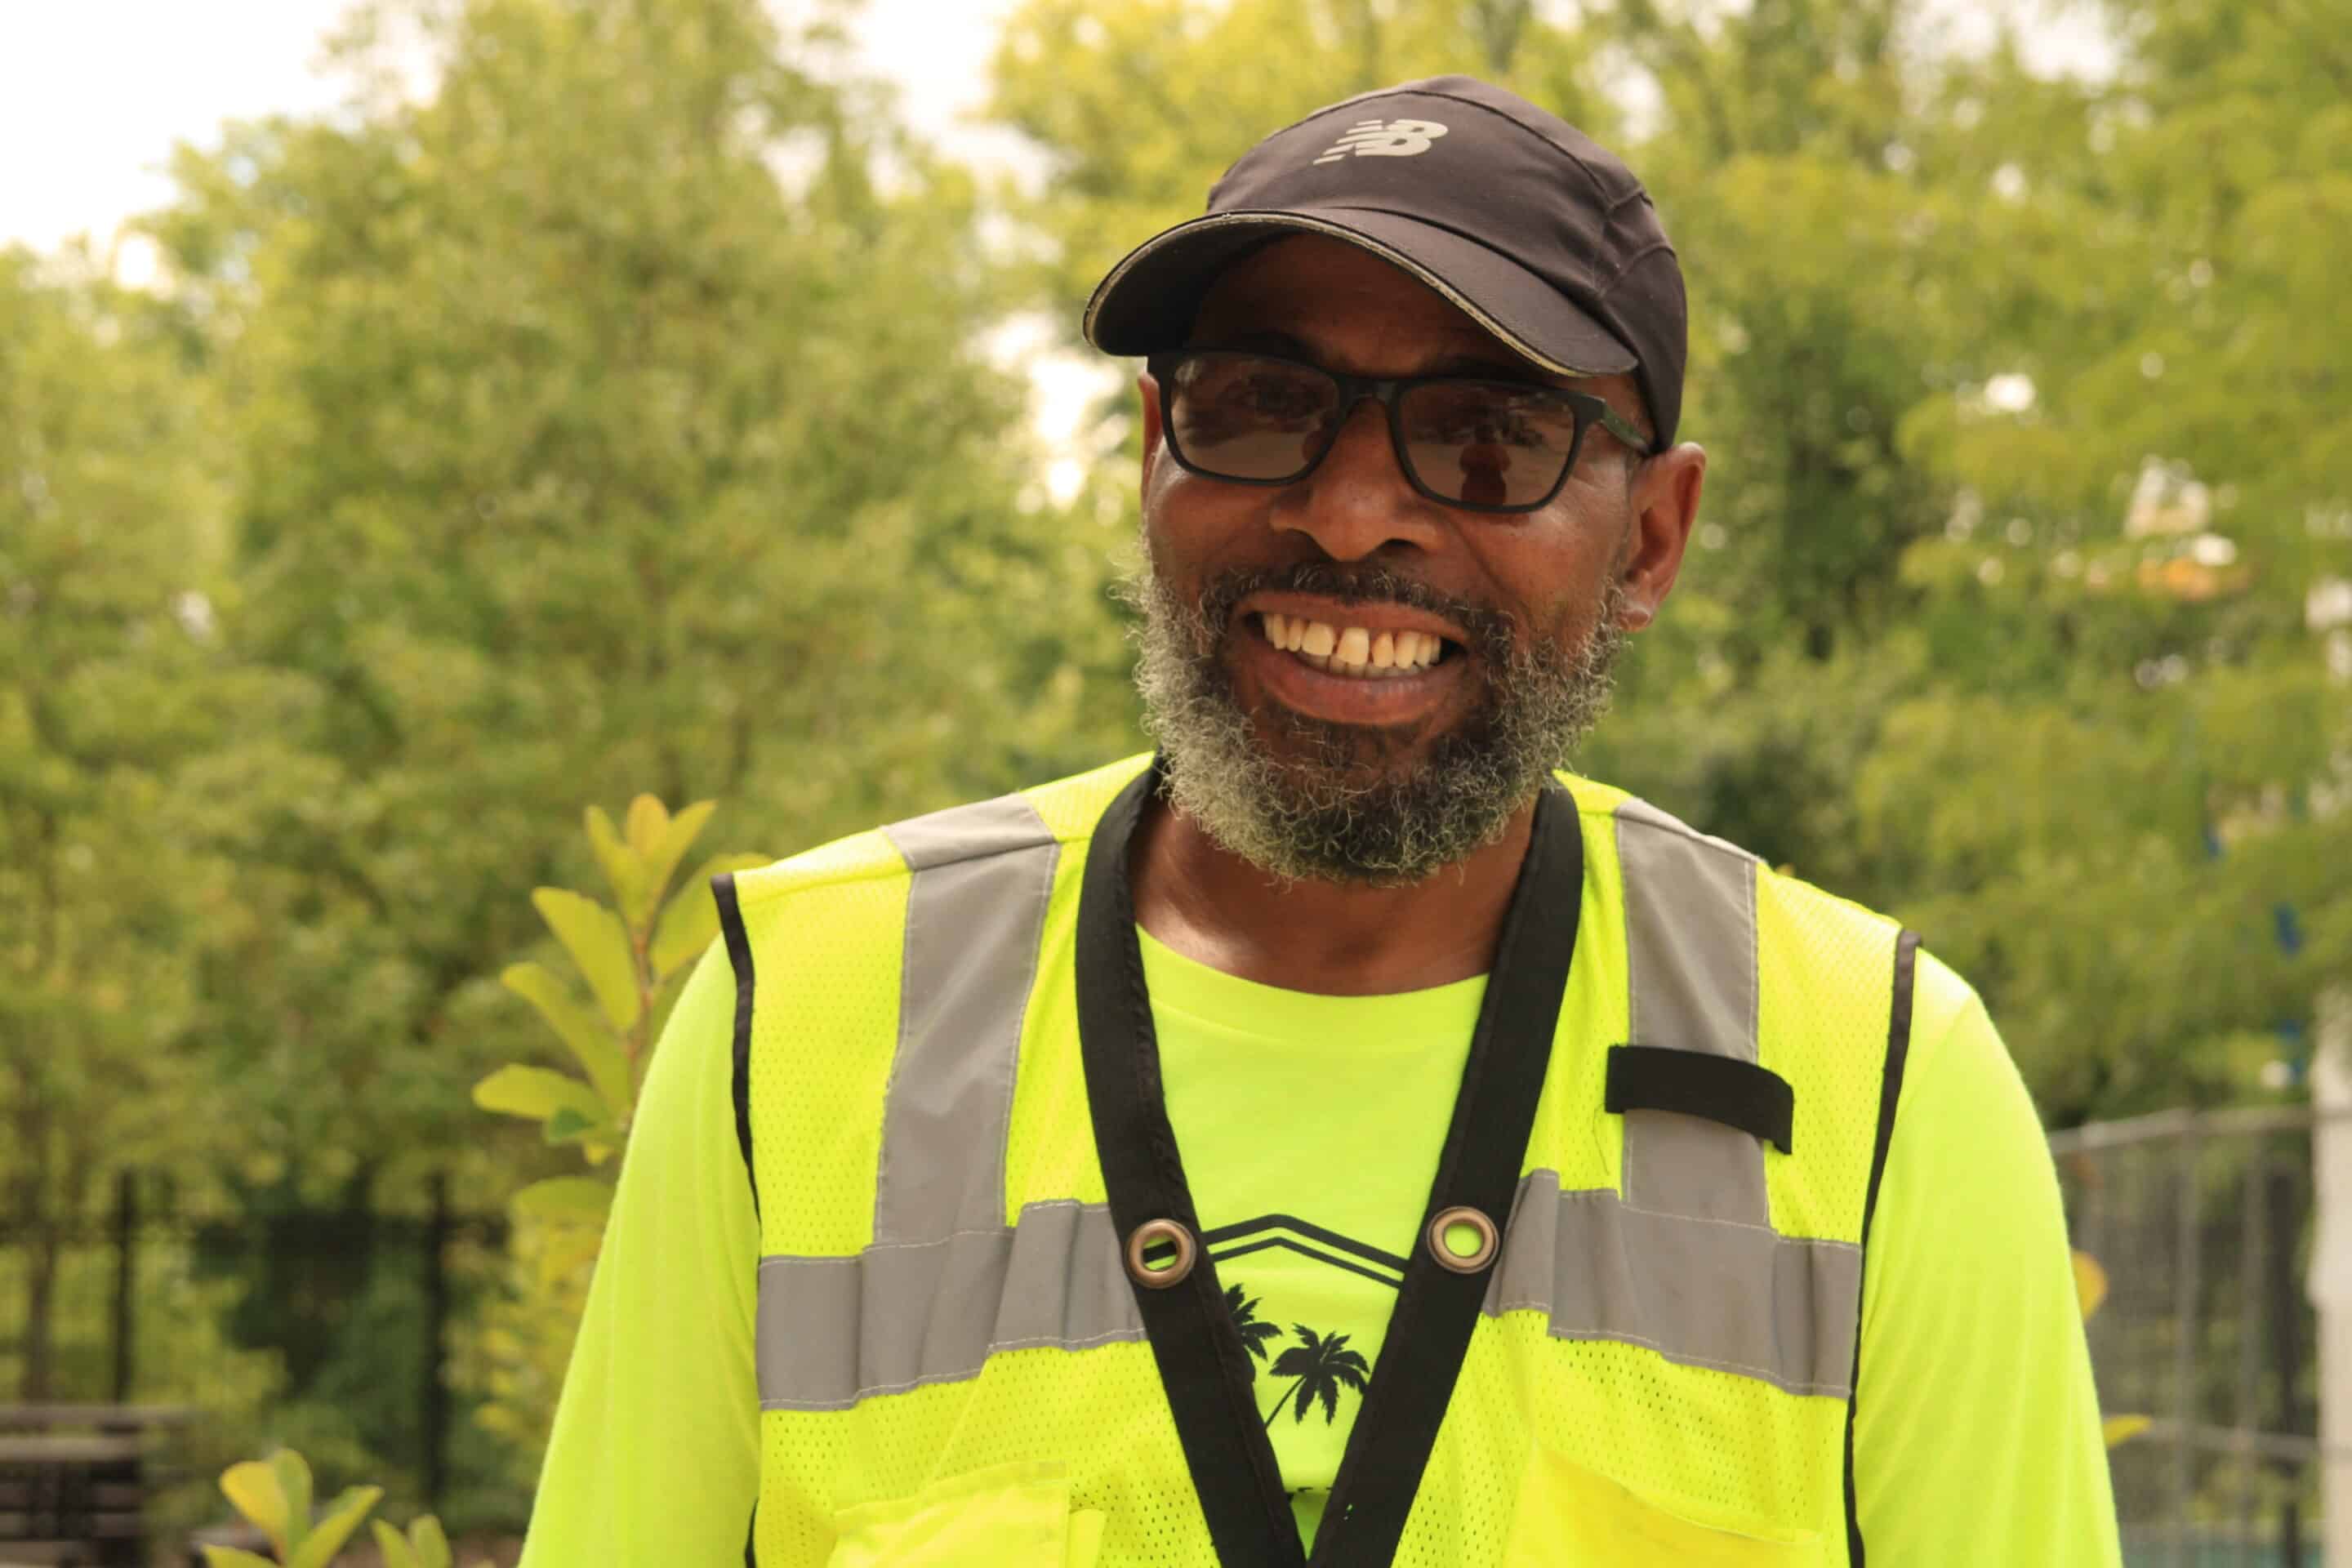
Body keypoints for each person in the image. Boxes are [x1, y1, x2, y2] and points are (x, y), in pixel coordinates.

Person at [519, 75, 2121, 1567]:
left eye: (1490, 433)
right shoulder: (798, 1023)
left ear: (1652, 538)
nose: (1350, 513)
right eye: (1269, 401)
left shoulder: (1880, 1082)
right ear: (1155, 455)